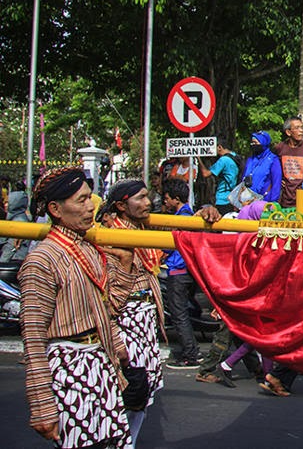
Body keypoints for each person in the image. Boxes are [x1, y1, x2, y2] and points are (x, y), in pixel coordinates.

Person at [18, 167, 134, 448]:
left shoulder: (89, 249)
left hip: (100, 364)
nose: (90, 206)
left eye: (89, 198)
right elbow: (33, 339)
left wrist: (125, 262)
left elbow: (109, 308)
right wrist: (42, 404)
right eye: (81, 200)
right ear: (55, 209)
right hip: (70, 370)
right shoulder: (42, 260)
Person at [98, 180, 165, 447]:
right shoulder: (111, 237)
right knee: (127, 394)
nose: (148, 203)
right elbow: (106, 298)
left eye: (148, 196)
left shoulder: (141, 230)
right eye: (141, 198)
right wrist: (115, 339)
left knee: (139, 396)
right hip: (125, 322)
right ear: (121, 206)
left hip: (144, 321)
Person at [160, 178, 201, 370]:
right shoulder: (185, 215)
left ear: (176, 199)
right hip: (184, 270)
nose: (165, 201)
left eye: (167, 198)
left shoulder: (183, 218)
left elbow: (172, 245)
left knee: (179, 314)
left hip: (179, 270)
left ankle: (190, 354)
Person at [198, 142, 241, 215]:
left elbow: (206, 173)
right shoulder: (236, 156)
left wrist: (198, 159)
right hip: (234, 197)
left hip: (223, 198)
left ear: (219, 147)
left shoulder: (223, 160)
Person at [242, 131, 282, 202]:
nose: (253, 145)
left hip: (265, 200)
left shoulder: (272, 160)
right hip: (247, 200)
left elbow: (276, 182)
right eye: (252, 143)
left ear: (264, 142)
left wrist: (273, 201)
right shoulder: (250, 160)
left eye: (255, 142)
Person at [0, 181, 31, 261]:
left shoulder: (19, 222)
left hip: (13, 261)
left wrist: (2, 263)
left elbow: (10, 248)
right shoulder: (14, 218)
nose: (5, 204)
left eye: (7, 202)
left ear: (14, 203)